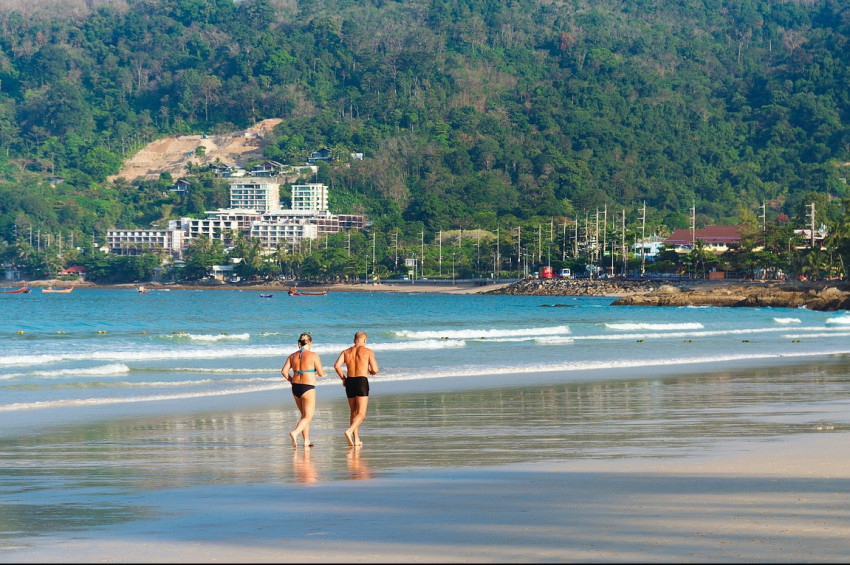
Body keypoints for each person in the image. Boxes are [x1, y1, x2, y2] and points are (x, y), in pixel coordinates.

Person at [334, 331, 379, 447]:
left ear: (355, 340)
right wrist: (371, 371)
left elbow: (337, 366)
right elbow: (375, 369)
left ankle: (356, 439)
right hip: (361, 381)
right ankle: (349, 431)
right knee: (361, 413)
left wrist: (343, 378)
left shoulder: (346, 352)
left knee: (353, 412)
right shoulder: (368, 351)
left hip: (350, 381)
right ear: (364, 340)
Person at [281, 333, 324, 447]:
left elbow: (284, 371)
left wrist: (291, 380)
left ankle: (306, 441)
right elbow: (320, 373)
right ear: (309, 343)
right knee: (307, 417)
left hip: (295, 387)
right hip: (308, 387)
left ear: (299, 343)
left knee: (304, 415)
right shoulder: (313, 355)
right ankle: (295, 432)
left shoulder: (292, 356)